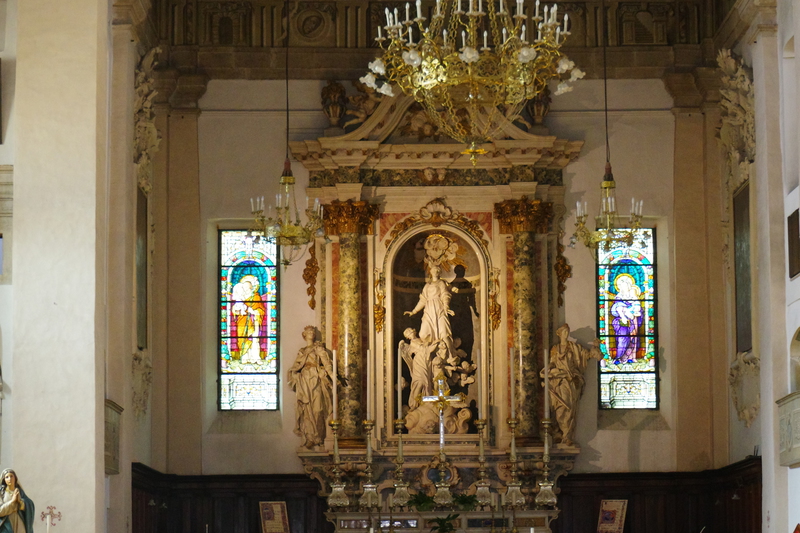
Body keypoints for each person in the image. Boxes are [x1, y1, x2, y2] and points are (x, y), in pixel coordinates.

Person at [543, 324, 602, 447]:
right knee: (560, 408)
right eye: (564, 332)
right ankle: (561, 433)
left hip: (571, 381)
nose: (566, 334)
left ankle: (567, 436)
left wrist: (595, 347)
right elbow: (552, 363)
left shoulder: (574, 347)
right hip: (559, 382)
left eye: (567, 332)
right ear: (559, 334)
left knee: (570, 407)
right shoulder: (555, 349)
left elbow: (588, 355)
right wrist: (546, 370)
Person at [287, 326, 333, 449]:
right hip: (304, 380)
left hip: (316, 379)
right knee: (306, 409)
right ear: (304, 335)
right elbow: (296, 366)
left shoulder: (318, 347)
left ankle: (319, 436)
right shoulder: (302, 351)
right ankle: (310, 437)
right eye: (308, 332)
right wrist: (294, 373)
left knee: (318, 409)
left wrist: (331, 374)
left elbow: (326, 362)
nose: (311, 333)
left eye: (312, 331)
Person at [404, 264, 455, 358]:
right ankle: (429, 356)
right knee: (423, 334)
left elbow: (445, 295)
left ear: (440, 272)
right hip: (428, 310)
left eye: (437, 270)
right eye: (433, 270)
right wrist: (414, 311)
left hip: (439, 309)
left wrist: (446, 307)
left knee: (444, 334)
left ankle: (450, 357)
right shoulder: (427, 285)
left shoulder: (441, 283)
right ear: (430, 272)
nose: (435, 271)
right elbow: (423, 300)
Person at [231, 274, 267, 364]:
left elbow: (261, 310)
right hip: (242, 321)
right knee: (242, 339)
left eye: (247, 287)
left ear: (251, 287)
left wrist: (254, 311)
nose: (245, 289)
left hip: (254, 321)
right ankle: (244, 357)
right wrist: (236, 310)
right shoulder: (240, 297)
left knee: (254, 339)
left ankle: (256, 357)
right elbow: (235, 310)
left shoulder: (256, 297)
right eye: (244, 287)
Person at [399, 328, 437, 410]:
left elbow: (427, 347)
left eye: (411, 332)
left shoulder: (421, 339)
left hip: (426, 361)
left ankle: (428, 402)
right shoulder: (413, 343)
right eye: (408, 334)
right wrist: (435, 343)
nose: (411, 334)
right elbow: (424, 349)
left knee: (428, 381)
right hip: (419, 362)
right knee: (420, 382)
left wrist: (432, 342)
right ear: (408, 337)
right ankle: (414, 404)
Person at [610, 273, 643, 364]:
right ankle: (619, 357)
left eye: (627, 286)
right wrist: (624, 315)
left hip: (633, 321)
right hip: (622, 323)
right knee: (623, 338)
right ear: (620, 287)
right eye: (623, 286)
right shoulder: (619, 298)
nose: (625, 288)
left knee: (633, 338)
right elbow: (616, 309)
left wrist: (635, 312)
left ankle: (631, 357)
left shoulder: (633, 297)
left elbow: (639, 309)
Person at [0, 469, 34, 533]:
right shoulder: (2, 493)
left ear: (15, 478)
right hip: (6, 524)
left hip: (19, 521)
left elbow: (30, 504)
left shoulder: (20, 492)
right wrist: (12, 501)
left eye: (11, 476)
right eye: (7, 477)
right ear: (4, 479)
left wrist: (21, 502)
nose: (10, 479)